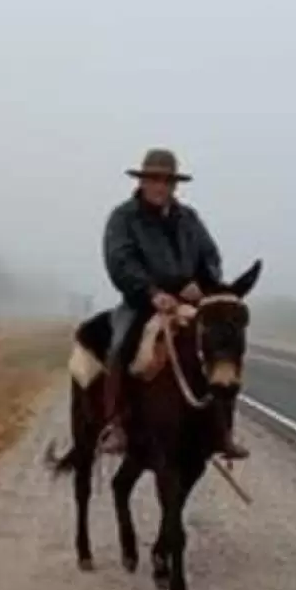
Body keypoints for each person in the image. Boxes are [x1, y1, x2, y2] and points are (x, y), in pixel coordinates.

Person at [98, 147, 249, 460]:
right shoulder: (123, 218)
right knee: (120, 346)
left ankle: (222, 431)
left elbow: (210, 256)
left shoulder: (189, 218)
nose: (160, 186)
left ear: (174, 185)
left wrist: (202, 283)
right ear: (142, 181)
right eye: (154, 179)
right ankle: (116, 425)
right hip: (141, 302)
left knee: (222, 344)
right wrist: (151, 292)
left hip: (186, 301)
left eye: (167, 181)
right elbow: (120, 261)